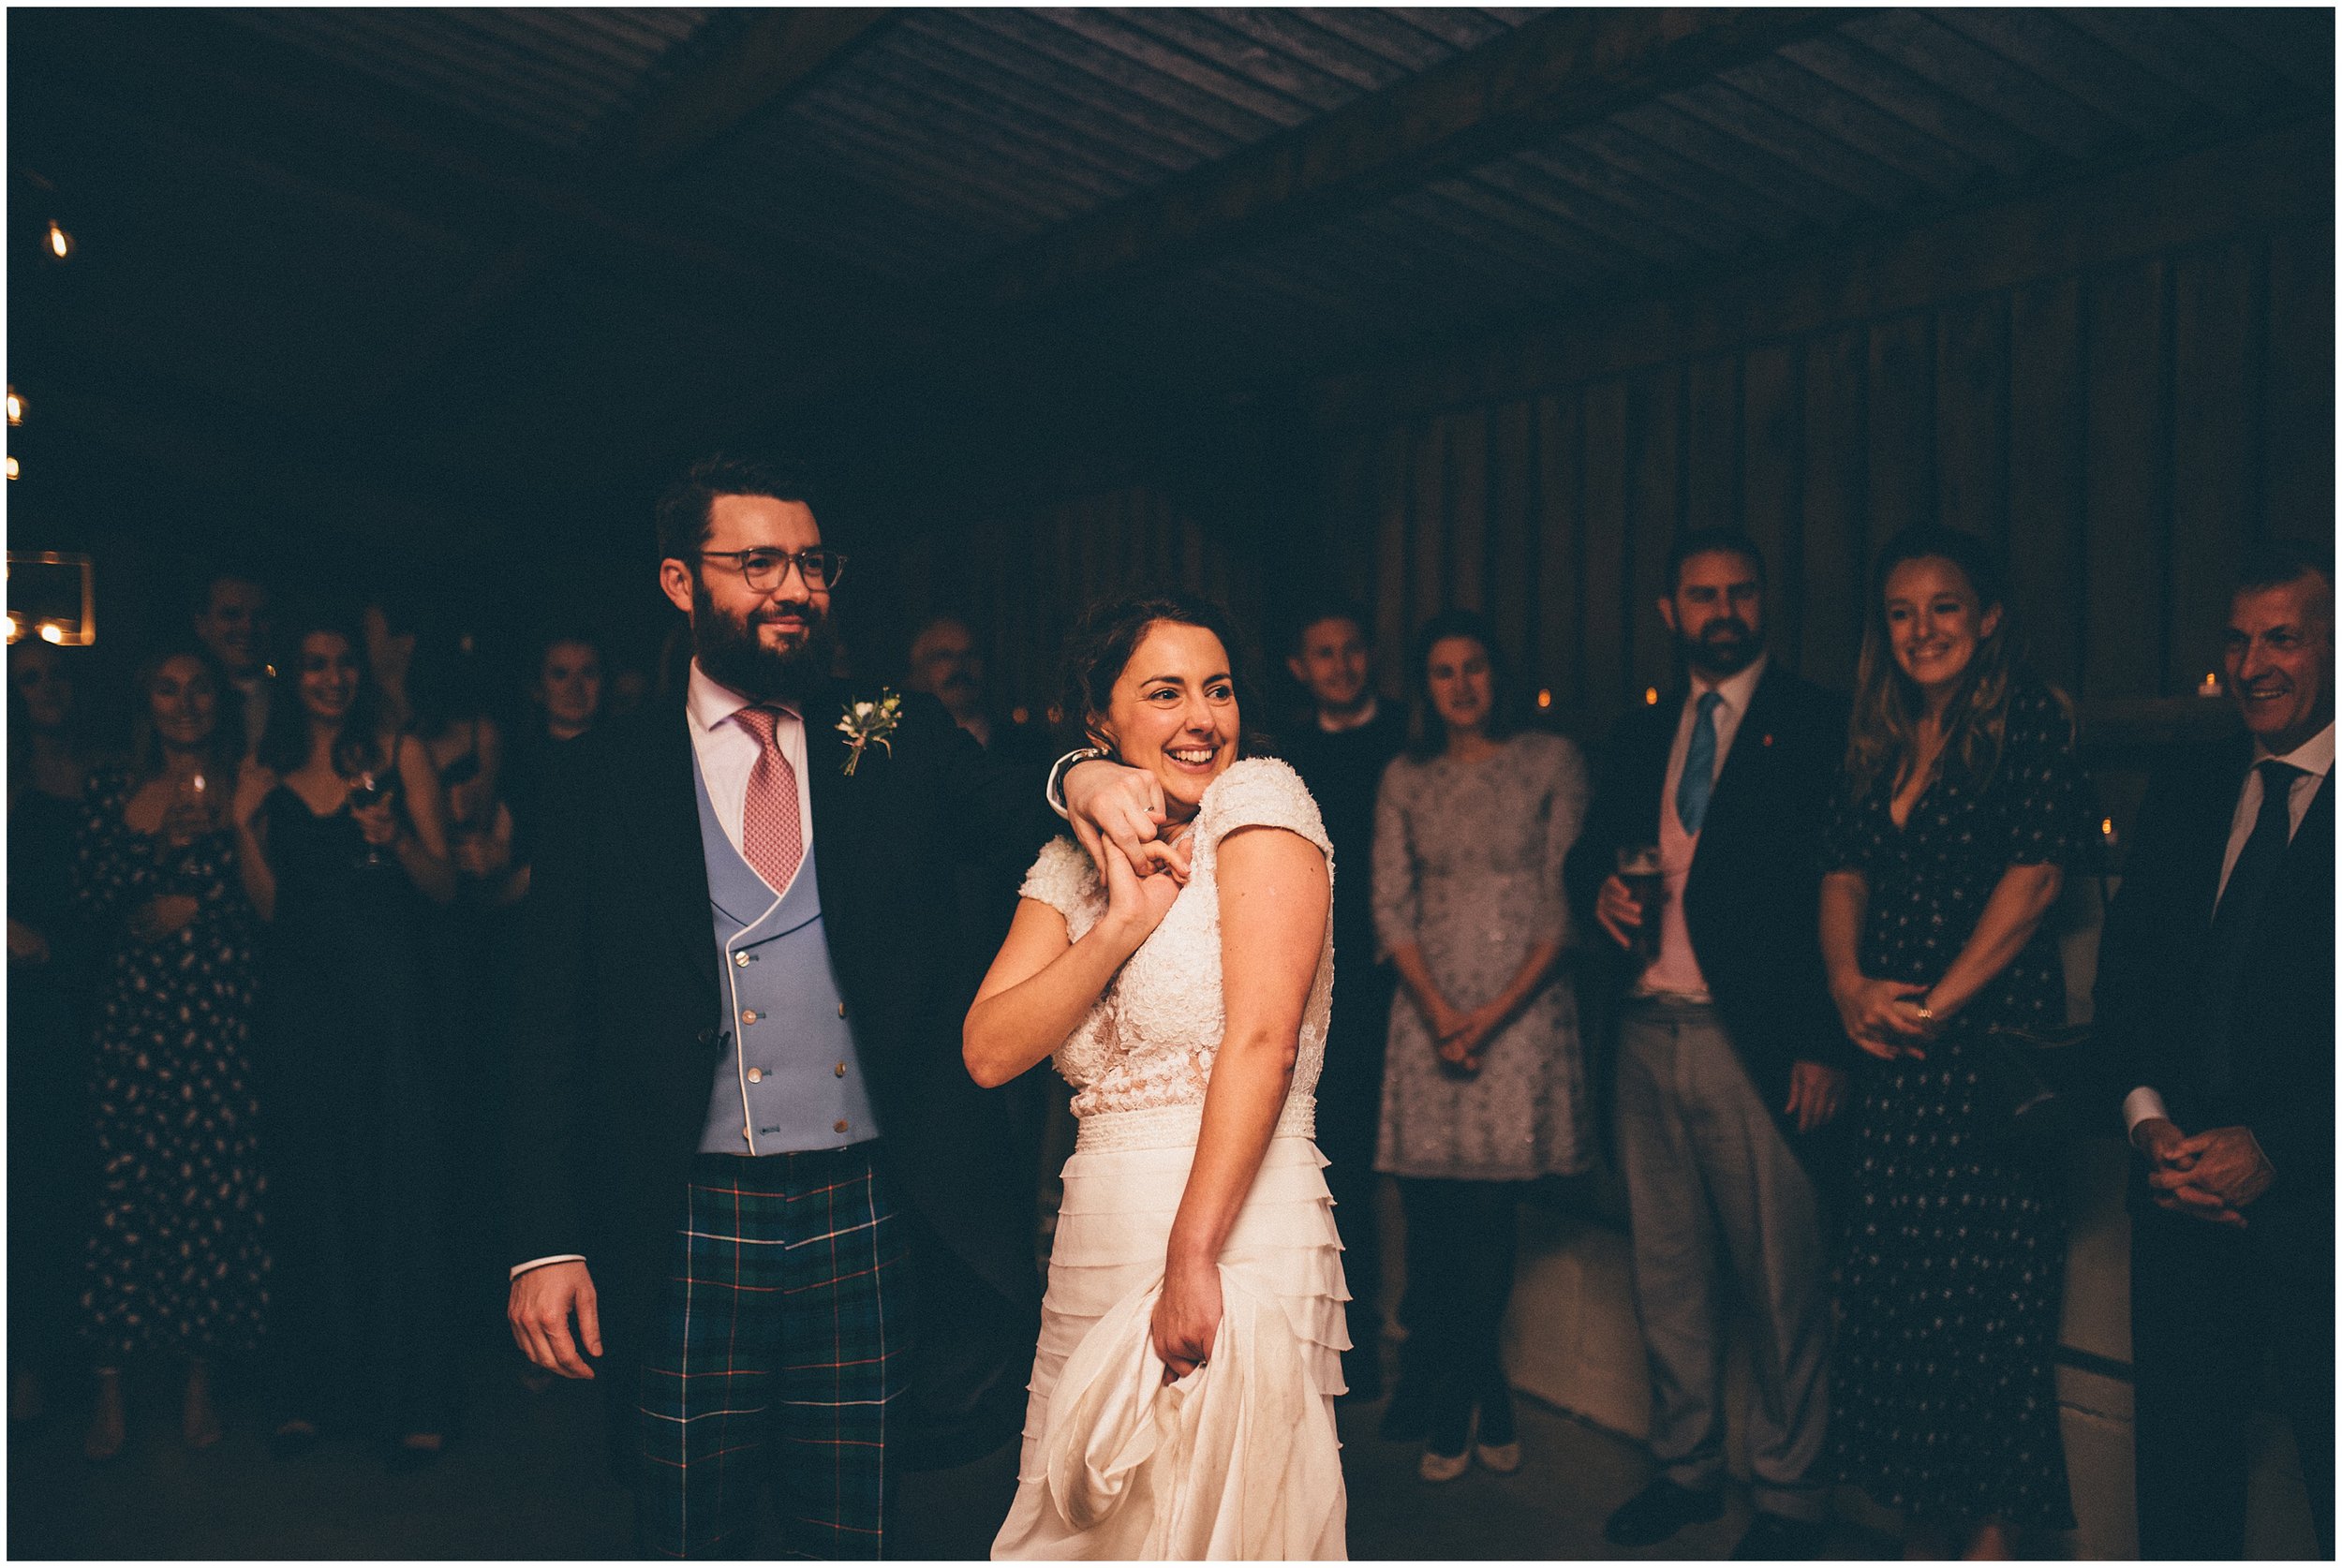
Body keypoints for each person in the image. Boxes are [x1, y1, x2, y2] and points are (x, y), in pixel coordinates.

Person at [500, 454, 1166, 1557]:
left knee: (848, 1522)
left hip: (866, 1202)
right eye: (757, 562)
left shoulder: (887, 728)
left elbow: (1014, 803)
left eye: (811, 564)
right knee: (687, 1523)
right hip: (685, 1215)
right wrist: (543, 1241)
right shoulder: (602, 773)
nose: (795, 587)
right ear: (680, 582)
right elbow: (542, 1024)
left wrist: (1083, 777)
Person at [971, 593, 1347, 1559]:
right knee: (1084, 1525)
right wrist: (1121, 926)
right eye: (1166, 693)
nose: (1202, 720)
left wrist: (1192, 1260)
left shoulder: (1260, 804)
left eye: (1217, 692)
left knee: (1221, 1528)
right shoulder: (1072, 861)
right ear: (1101, 725)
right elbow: (989, 1050)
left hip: (1234, 1223)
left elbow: (1261, 1041)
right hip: (1096, 1231)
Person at [1564, 530, 1851, 1558]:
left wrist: (1824, 1041)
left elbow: (1848, 882)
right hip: (1643, 1029)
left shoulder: (1817, 722)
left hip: (1761, 1042)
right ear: (1668, 611)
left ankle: (1792, 1498)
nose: (1721, 609)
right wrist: (1594, 886)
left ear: (1764, 602)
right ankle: (1684, 1471)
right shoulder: (1644, 733)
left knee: (1782, 1278)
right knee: (1669, 1275)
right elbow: (1588, 855)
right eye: (1701, 595)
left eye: (1738, 592)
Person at [1817, 526, 2097, 1558]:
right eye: (1900, 611)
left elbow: (2034, 886)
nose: (1921, 629)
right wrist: (1848, 987)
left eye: (1943, 607)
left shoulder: (2029, 723)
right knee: (1903, 1331)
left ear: (1986, 619)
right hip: (1892, 1083)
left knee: (1987, 1340)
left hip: (1982, 1081)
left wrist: (1932, 1009)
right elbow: (1842, 871)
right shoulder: (1879, 732)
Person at [2099, 541, 2333, 1561]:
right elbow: (2128, 988)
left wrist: (2279, 1145)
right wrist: (2149, 1128)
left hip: (2322, 1219)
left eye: (2281, 637)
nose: (2252, 664)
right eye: (2236, 640)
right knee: (2182, 1507)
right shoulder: (2193, 786)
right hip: (2180, 1208)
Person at [233, 609, 461, 1470]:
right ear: (293, 676)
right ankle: (312, 1395)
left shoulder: (397, 754)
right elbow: (268, 913)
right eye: (313, 664)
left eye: (342, 665)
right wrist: (243, 827)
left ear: (359, 675)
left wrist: (394, 835)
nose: (330, 679)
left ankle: (413, 1397)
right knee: (313, 1189)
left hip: (388, 995)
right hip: (303, 1000)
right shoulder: (267, 769)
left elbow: (442, 889)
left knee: (396, 1184)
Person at [1371, 609, 1591, 1482]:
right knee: (1434, 1217)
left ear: (1497, 674)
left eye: (1474, 668)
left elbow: (1561, 899)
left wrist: (1491, 1015)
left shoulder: (1550, 762)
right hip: (1425, 1014)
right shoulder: (1405, 775)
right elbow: (1388, 901)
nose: (1460, 686)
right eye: (1441, 671)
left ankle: (1464, 1397)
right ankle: (1483, 1388)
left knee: (1490, 1216)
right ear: (1425, 687)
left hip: (1522, 1015)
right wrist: (1438, 1011)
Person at [75, 643, 268, 1461]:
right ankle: (109, 1394)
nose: (184, 704)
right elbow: (85, 899)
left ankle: (198, 1387)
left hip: (217, 1024)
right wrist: (149, 853)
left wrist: (203, 892)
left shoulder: (246, 781)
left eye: (197, 690)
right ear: (144, 698)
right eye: (166, 688)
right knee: (120, 1201)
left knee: (208, 1203)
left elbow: (273, 909)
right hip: (137, 1027)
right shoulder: (112, 786)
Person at [1275, 597, 1407, 1402]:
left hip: (1403, 977)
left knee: (1408, 1172)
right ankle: (1341, 1348)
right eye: (1324, 652)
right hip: (1317, 982)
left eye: (1352, 647)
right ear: (1301, 668)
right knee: (1336, 1164)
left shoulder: (1408, 739)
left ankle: (1404, 1343)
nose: (1341, 665)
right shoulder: (1284, 760)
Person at [8, 640, 101, 1427]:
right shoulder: (7, 782)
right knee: (32, 1183)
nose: (46, 688)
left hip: (101, 985)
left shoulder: (105, 769)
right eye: (27, 678)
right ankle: (30, 1364)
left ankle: (84, 1365)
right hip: (32, 1004)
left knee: (88, 1183)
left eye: (55, 672)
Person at [190, 568, 273, 756]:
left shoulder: (297, 703)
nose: (247, 627)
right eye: (231, 615)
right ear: (202, 624)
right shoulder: (178, 702)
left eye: (260, 616)